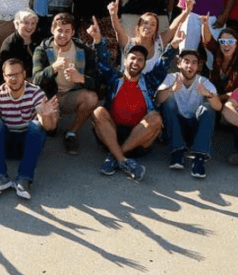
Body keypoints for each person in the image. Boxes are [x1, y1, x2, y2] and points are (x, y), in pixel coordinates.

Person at [0, 59, 59, 199]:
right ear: (4, 77)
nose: (14, 78)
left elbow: (48, 127)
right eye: (9, 75)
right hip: (7, 145)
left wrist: (45, 114)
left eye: (17, 74)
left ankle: (23, 179)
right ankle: (0, 177)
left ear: (24, 74)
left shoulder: (35, 92)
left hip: (28, 145)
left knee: (36, 126)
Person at [93, 42, 175, 182]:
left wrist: (173, 46)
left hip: (139, 138)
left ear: (143, 65)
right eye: (132, 58)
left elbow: (162, 66)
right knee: (98, 112)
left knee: (155, 118)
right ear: (125, 60)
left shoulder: (149, 81)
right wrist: (98, 40)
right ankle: (124, 160)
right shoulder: (114, 79)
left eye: (140, 59)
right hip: (112, 134)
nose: (135, 62)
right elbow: (103, 62)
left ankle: (115, 157)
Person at [31, 13, 100, 155]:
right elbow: (36, 80)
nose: (63, 35)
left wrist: (80, 77)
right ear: (52, 30)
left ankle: (71, 132)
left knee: (92, 98)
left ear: (73, 32)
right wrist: (53, 68)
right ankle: (47, 119)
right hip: (50, 96)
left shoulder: (84, 50)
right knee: (50, 129)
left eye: (67, 31)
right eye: (59, 30)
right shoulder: (42, 49)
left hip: (71, 95)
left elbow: (97, 83)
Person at [156, 49, 222, 178]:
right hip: (175, 126)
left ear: (198, 67)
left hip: (194, 128)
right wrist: (171, 90)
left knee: (209, 107)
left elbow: (218, 107)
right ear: (179, 64)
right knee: (168, 102)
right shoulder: (171, 78)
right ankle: (177, 152)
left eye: (194, 63)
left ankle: (199, 158)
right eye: (186, 62)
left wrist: (207, 94)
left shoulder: (203, 82)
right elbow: (158, 99)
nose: (189, 66)